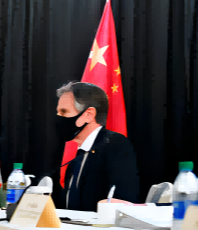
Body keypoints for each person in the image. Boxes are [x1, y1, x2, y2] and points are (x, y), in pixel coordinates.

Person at [54, 81, 139, 211]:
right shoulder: (77, 159)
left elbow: (122, 201)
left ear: (88, 114)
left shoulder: (115, 145)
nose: (58, 117)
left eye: (64, 112)